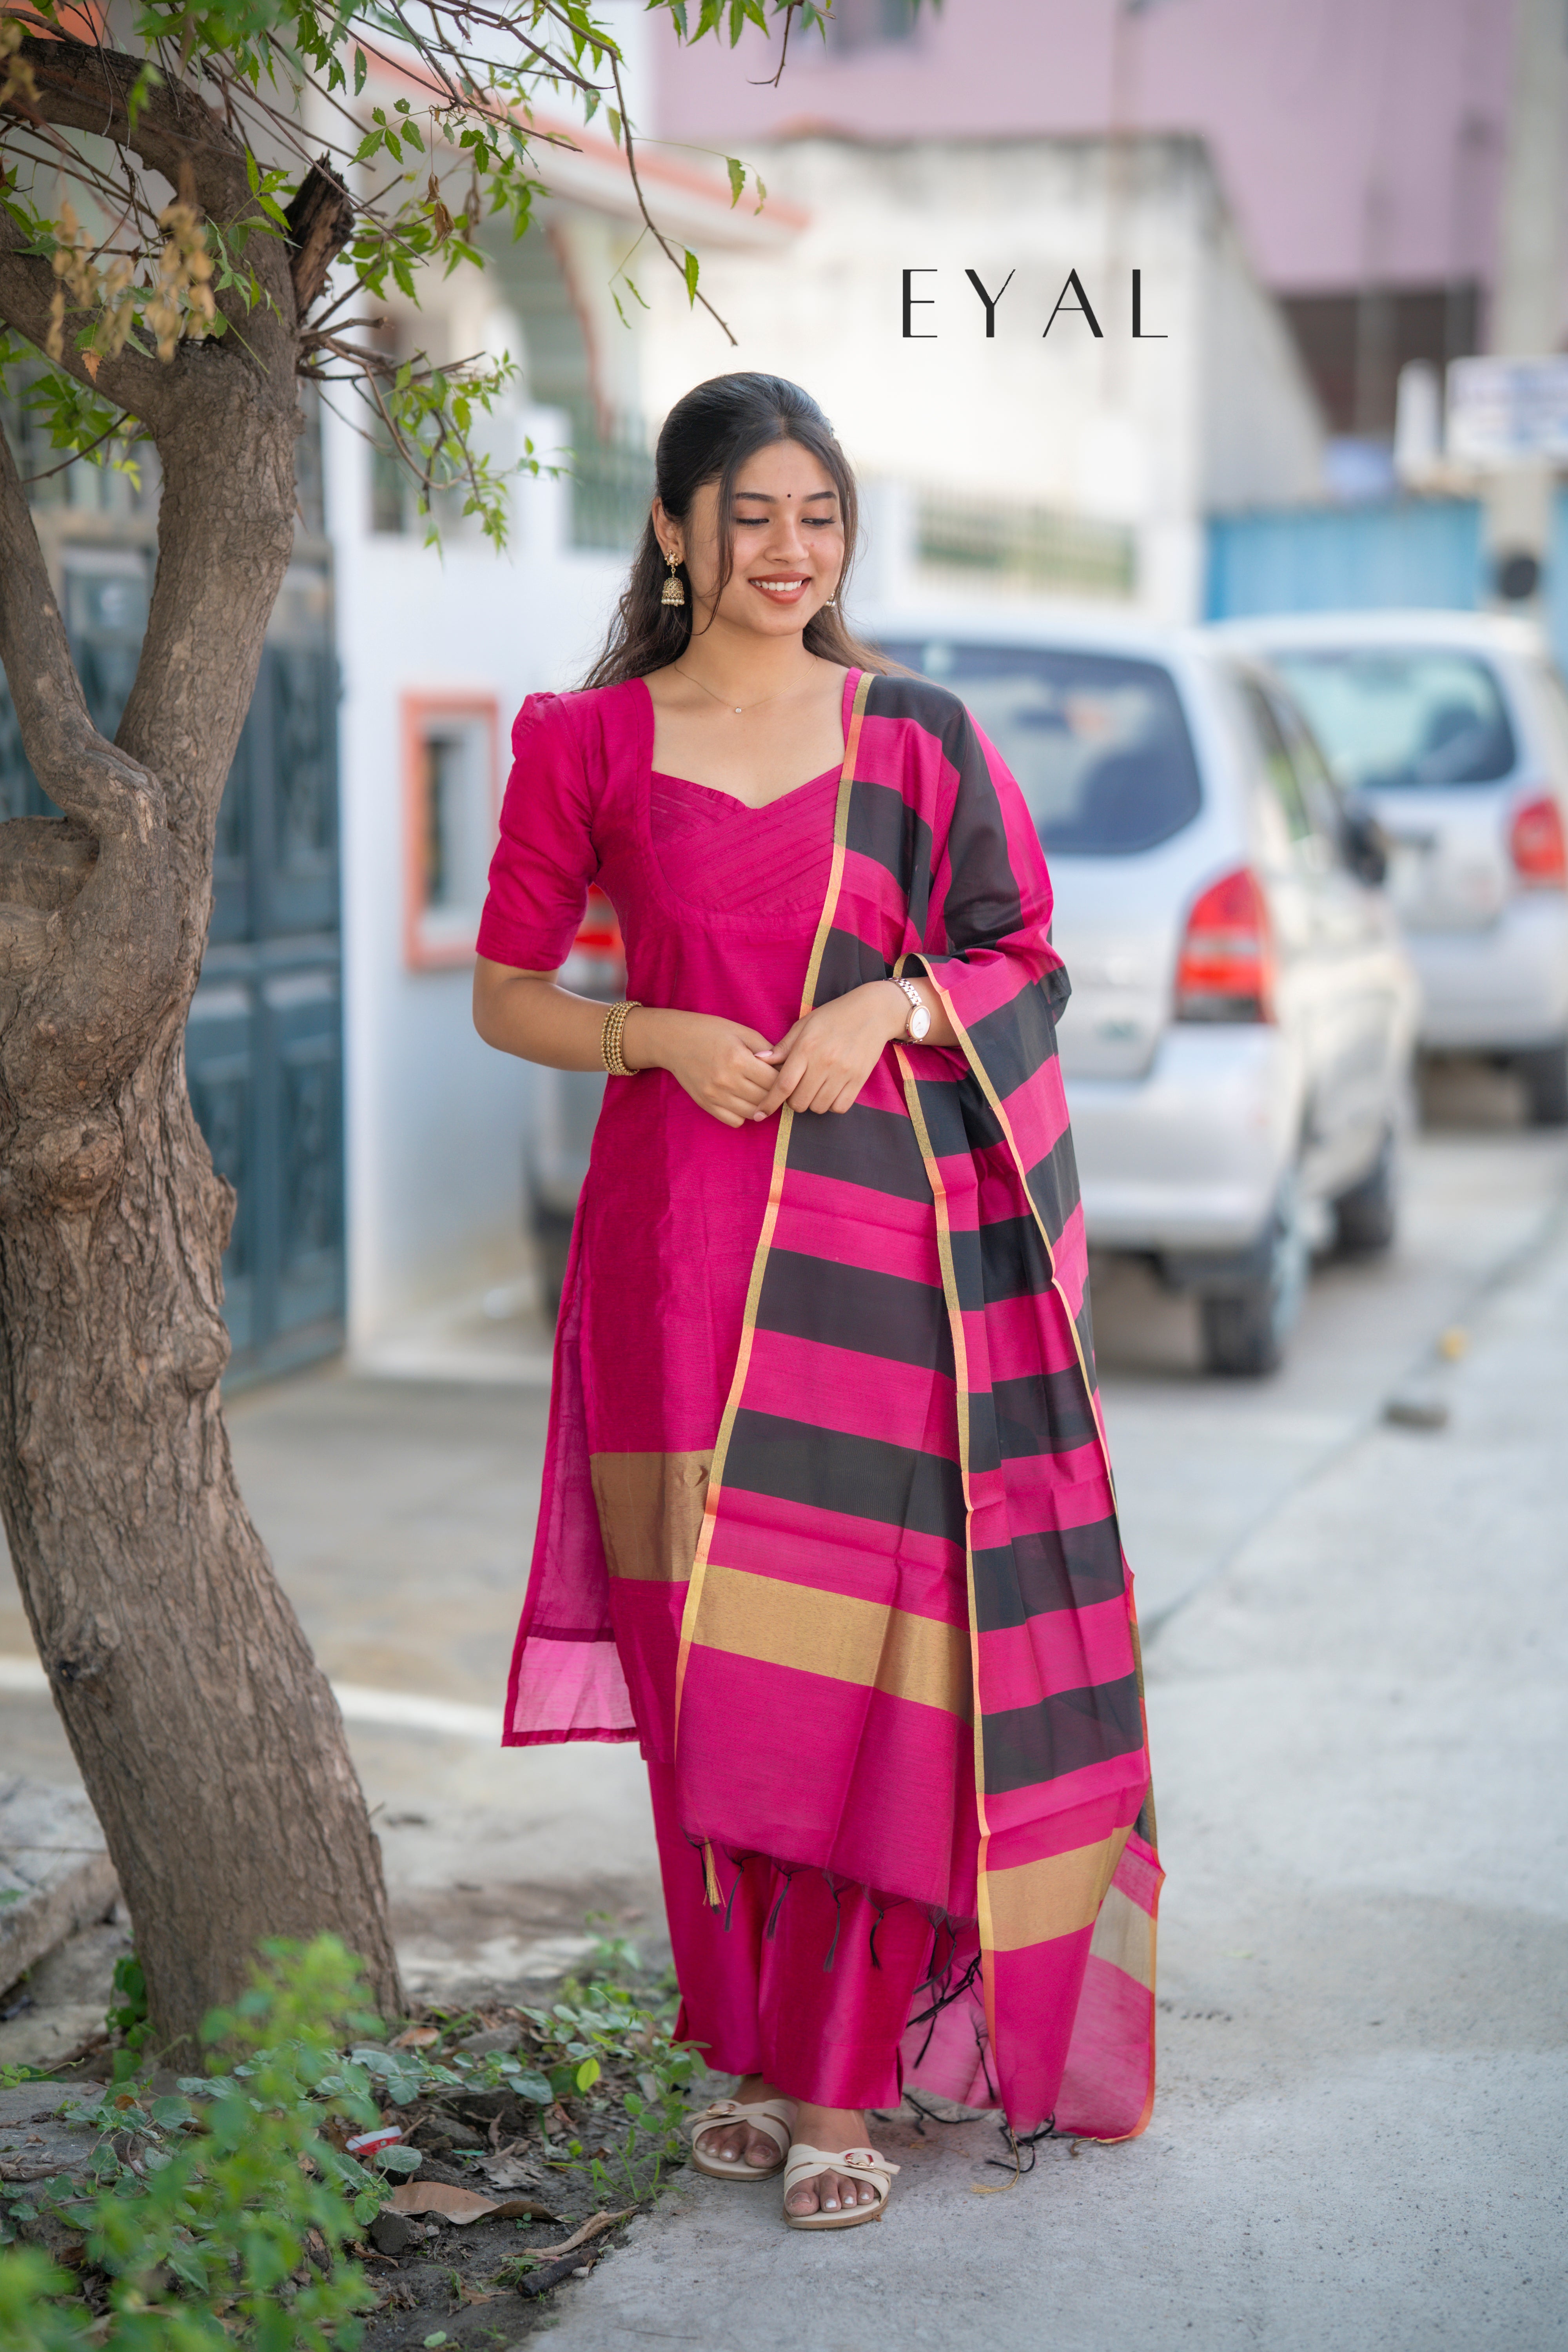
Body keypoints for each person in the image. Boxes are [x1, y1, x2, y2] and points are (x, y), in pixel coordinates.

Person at [473, 372, 1160, 2233]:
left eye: (820, 517)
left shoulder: (916, 740)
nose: (790, 552)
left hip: (882, 1271)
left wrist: (892, 1003)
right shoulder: (585, 742)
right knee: (705, 1665)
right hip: (671, 1262)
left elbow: (1023, 957)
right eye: (753, 515)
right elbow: (507, 992)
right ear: (673, 529)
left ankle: (840, 2084)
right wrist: (650, 1034)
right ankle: (752, 2050)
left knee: (862, 1665)